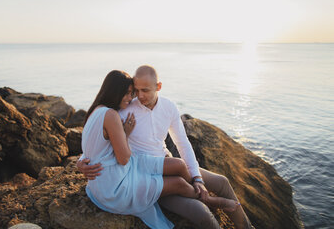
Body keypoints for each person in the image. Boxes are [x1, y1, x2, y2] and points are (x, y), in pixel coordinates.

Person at [78, 65, 253, 229]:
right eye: (136, 90)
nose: (139, 96)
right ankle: (208, 201)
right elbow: (100, 141)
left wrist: (197, 178)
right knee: (201, 212)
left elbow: (182, 143)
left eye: (145, 90)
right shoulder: (124, 110)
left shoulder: (168, 107)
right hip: (142, 175)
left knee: (222, 182)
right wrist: (82, 161)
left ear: (158, 86)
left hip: (167, 163)